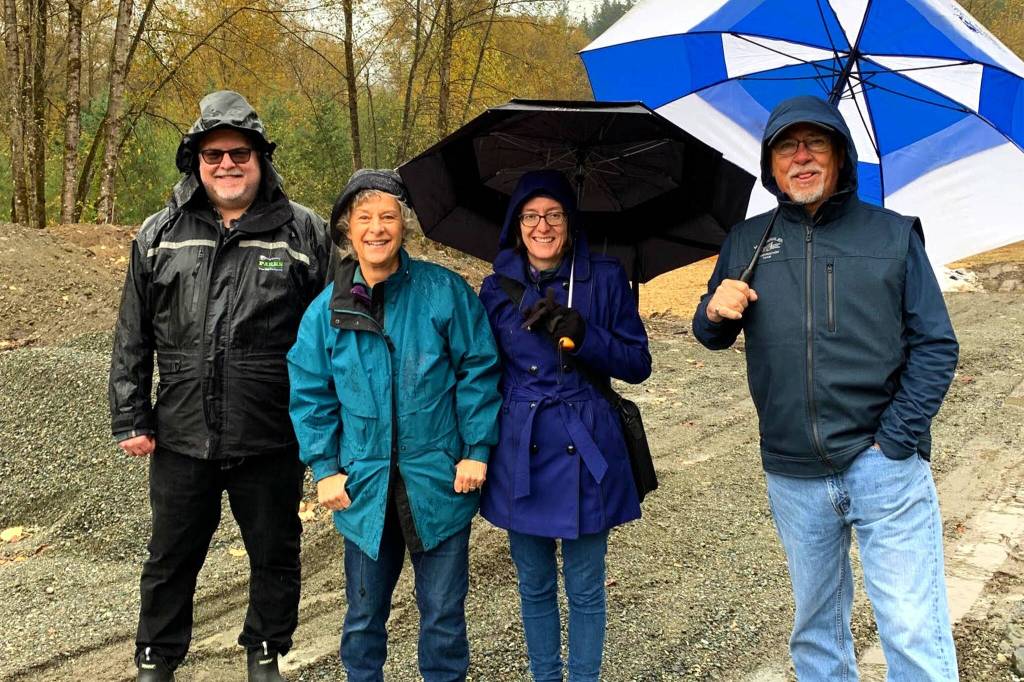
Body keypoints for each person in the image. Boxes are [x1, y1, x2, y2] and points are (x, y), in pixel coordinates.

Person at [693, 95, 960, 680]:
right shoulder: (747, 241)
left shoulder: (893, 236)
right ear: (771, 164)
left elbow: (937, 346)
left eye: (818, 143)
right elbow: (709, 335)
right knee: (816, 632)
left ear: (841, 156)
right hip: (791, 472)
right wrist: (715, 310)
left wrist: (895, 440)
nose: (803, 156)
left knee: (912, 628)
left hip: (883, 467)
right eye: (788, 145)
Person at [108, 90, 332, 682]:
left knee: (275, 552)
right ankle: (156, 656)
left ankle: (266, 650)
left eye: (239, 153)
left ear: (260, 158)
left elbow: (330, 338)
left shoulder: (303, 233)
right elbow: (132, 331)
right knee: (170, 557)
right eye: (213, 156)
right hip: (181, 429)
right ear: (196, 163)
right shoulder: (160, 234)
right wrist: (131, 414)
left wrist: (328, 428)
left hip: (272, 430)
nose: (227, 165)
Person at [287, 169, 502, 682]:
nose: (377, 228)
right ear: (347, 229)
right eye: (365, 218)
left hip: (439, 481)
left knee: (444, 619)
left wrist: (477, 448)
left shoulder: (443, 292)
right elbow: (310, 391)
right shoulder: (326, 311)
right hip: (365, 488)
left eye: (389, 216)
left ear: (404, 225)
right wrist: (325, 467)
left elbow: (479, 368)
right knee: (363, 622)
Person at [478, 170, 652, 681]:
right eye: (531, 216)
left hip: (586, 442)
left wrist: (586, 334)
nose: (542, 225)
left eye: (554, 214)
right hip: (520, 445)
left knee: (585, 587)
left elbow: (638, 364)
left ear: (570, 224)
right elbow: (481, 372)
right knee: (533, 585)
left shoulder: (603, 277)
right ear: (516, 226)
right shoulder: (494, 290)